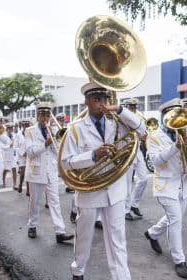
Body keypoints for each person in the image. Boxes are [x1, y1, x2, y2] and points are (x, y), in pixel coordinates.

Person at [60, 81, 145, 280]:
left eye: (104, 99)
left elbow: (142, 131)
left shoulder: (118, 121)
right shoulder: (75, 128)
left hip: (115, 190)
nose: (101, 103)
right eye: (96, 99)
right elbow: (65, 162)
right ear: (87, 101)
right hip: (89, 191)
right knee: (84, 237)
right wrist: (92, 155)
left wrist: (121, 109)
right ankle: (78, 270)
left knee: (118, 240)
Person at [144, 98, 187, 279]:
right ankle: (179, 260)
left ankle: (152, 234)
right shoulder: (154, 136)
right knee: (175, 220)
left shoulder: (184, 131)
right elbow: (156, 161)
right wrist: (176, 147)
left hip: (182, 185)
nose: (178, 118)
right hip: (165, 186)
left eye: (179, 114)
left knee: (174, 218)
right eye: (173, 115)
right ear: (165, 116)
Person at [24, 102, 73, 243]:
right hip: (36, 171)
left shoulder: (53, 129)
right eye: (42, 114)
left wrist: (55, 138)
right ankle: (32, 225)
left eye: (47, 114)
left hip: (50, 171)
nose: (45, 117)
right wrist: (45, 143)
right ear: (38, 115)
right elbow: (30, 152)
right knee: (35, 202)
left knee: (55, 202)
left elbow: (58, 151)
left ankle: (60, 232)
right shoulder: (29, 131)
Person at [123, 98, 149, 220]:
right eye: (130, 107)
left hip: (137, 151)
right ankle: (125, 210)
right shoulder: (122, 118)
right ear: (126, 107)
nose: (133, 109)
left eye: (134, 107)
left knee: (144, 179)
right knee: (128, 183)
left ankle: (134, 204)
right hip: (127, 152)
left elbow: (144, 131)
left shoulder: (139, 117)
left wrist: (144, 135)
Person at [14, 119, 31, 194]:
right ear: (22, 126)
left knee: (28, 173)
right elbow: (15, 147)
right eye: (25, 125)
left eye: (27, 125)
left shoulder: (31, 134)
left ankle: (28, 189)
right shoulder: (18, 135)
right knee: (23, 172)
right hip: (21, 157)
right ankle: (20, 184)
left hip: (30, 156)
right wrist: (22, 153)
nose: (26, 127)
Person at [2, 123, 17, 190]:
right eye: (9, 129)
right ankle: (3, 181)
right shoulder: (3, 136)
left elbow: (16, 145)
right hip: (6, 156)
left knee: (14, 169)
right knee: (5, 170)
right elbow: (2, 146)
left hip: (13, 155)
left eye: (11, 129)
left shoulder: (14, 135)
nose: (11, 130)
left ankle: (14, 184)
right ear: (7, 129)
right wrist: (9, 146)